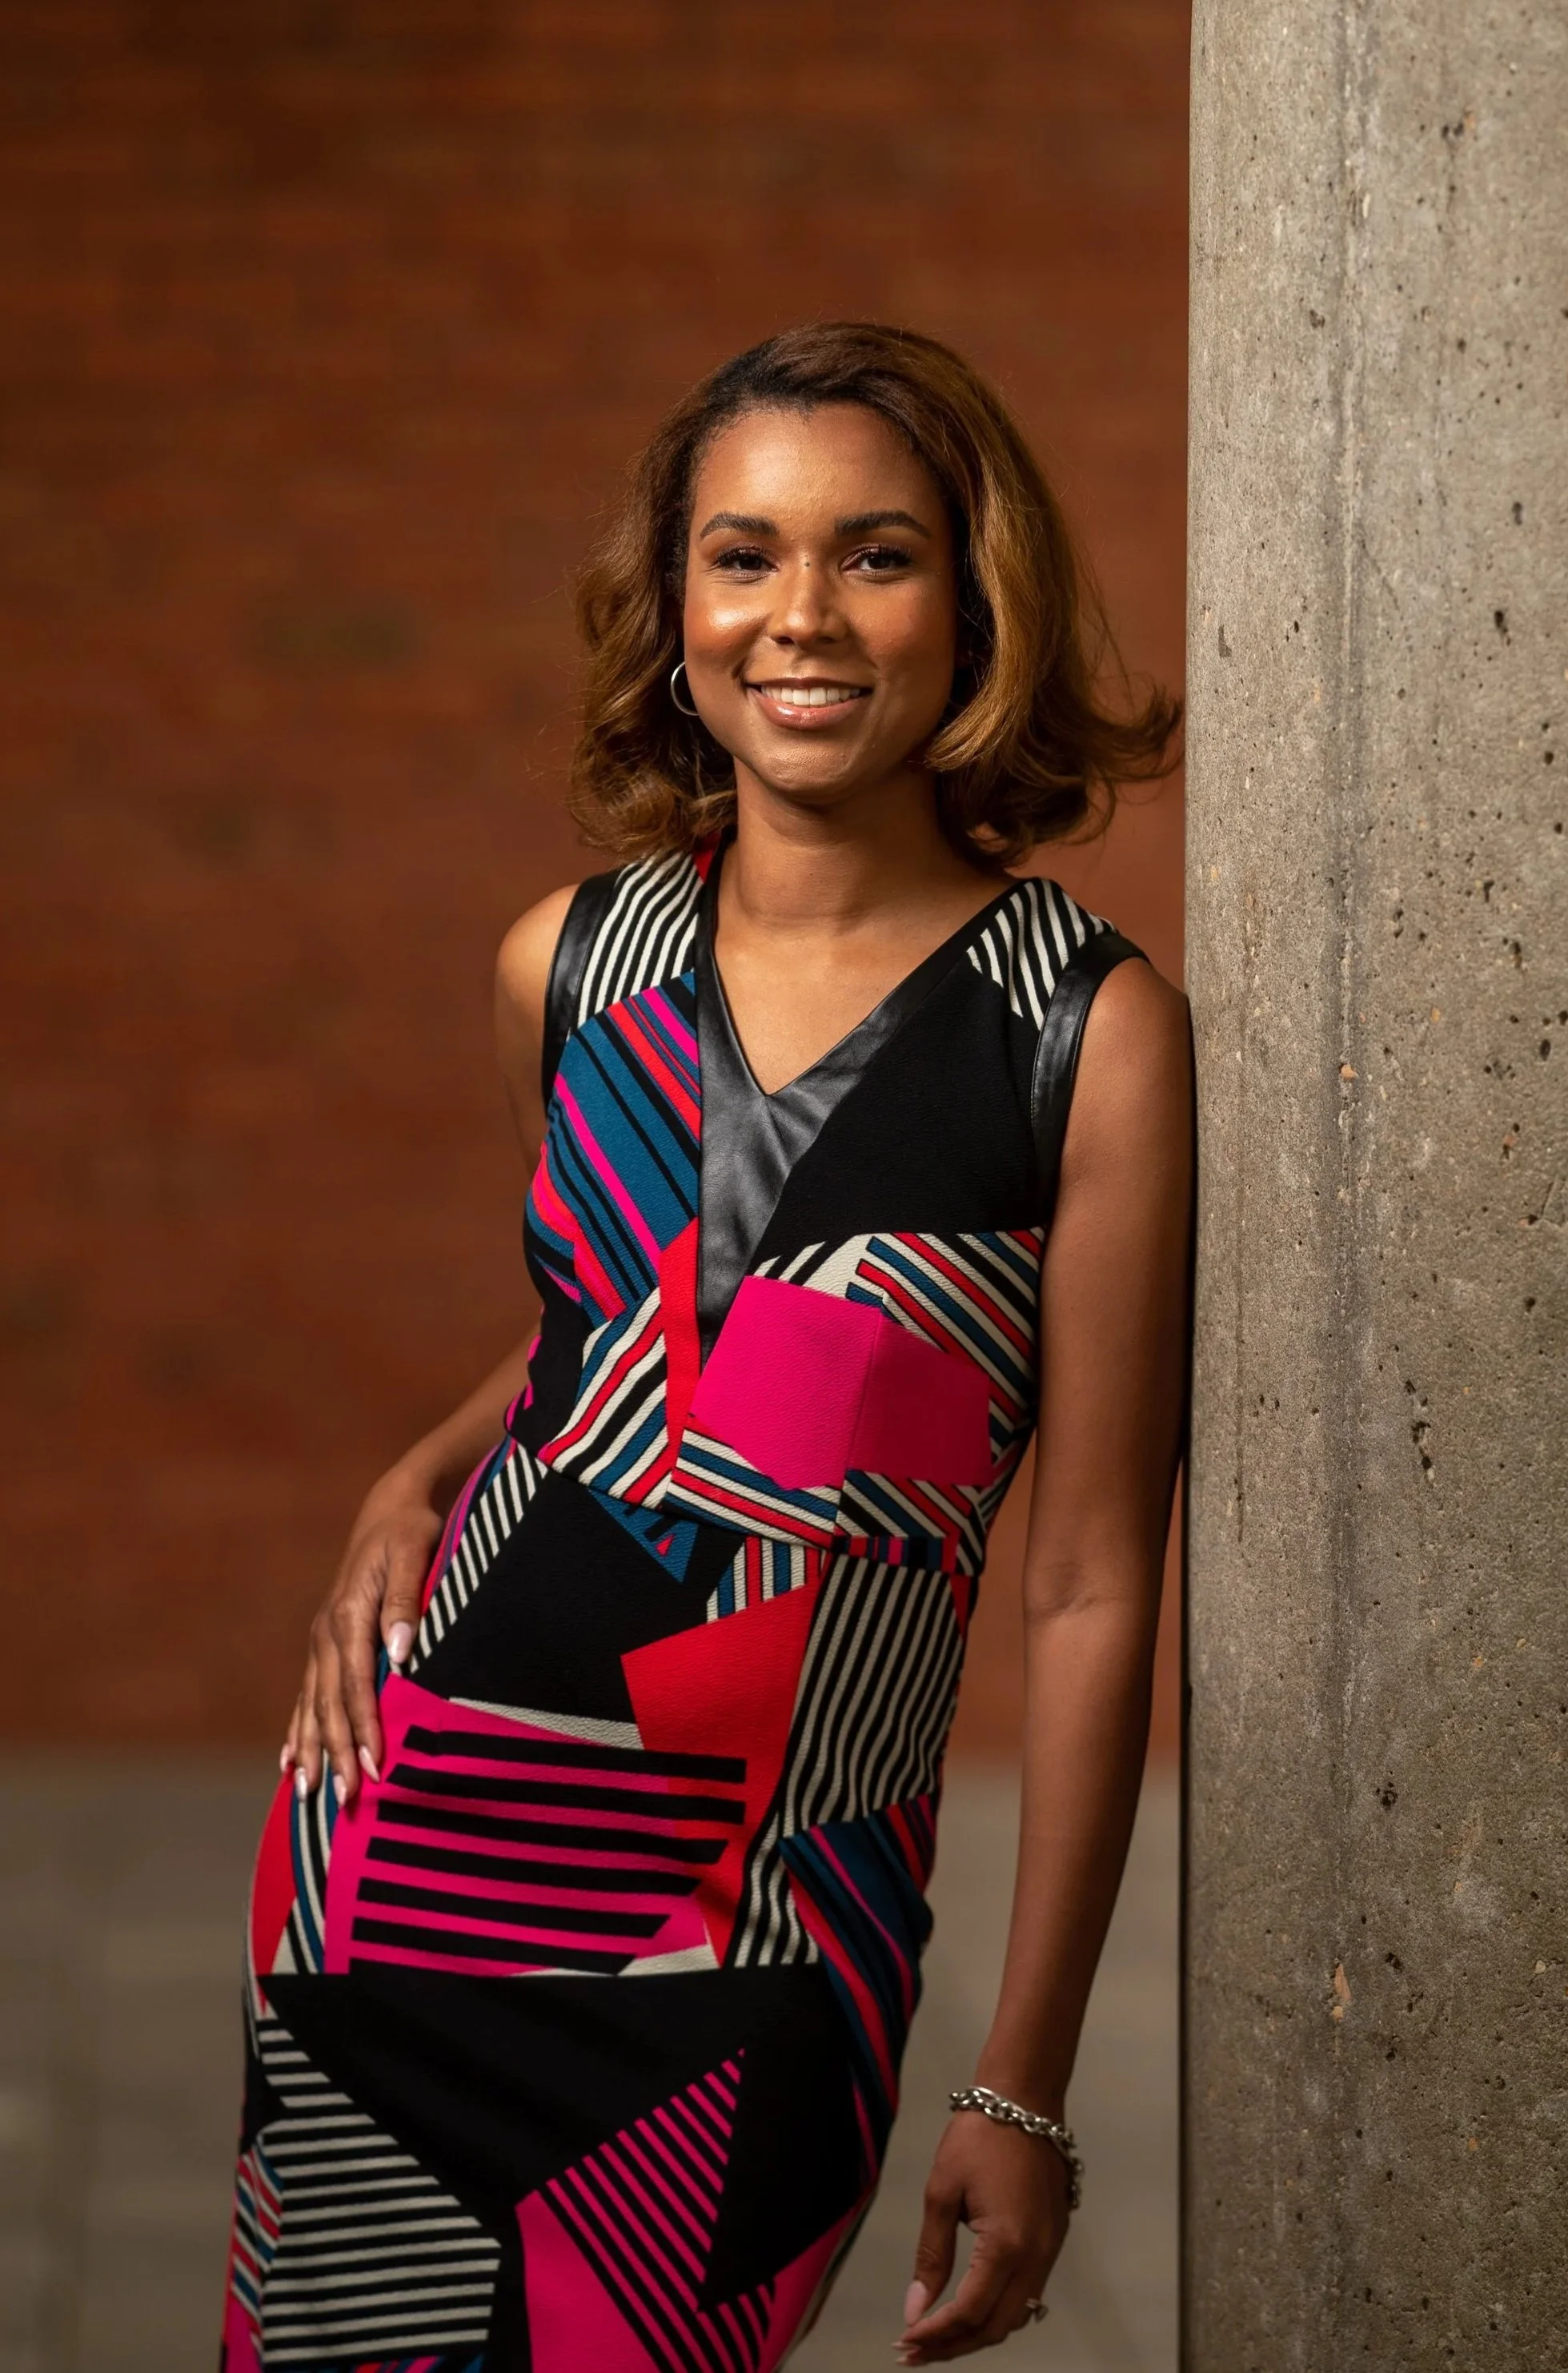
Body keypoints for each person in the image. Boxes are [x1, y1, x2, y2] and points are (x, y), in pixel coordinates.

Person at [222, 322, 1191, 2371]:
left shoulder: (1080, 1035)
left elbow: (1093, 1579)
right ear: (675, 613)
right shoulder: (569, 965)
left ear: (975, 604)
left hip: (768, 1919)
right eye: (743, 555)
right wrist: (413, 1474)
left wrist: (1021, 2082)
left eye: (876, 554)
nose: (801, 616)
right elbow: (614, 1347)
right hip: (405, 1859)